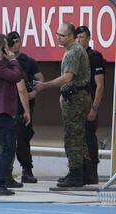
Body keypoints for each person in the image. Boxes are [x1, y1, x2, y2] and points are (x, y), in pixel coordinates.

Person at [34, 23, 92, 187]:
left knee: (73, 137)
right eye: (57, 34)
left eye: (62, 35)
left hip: (76, 98)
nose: (58, 37)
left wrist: (44, 86)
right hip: (76, 95)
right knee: (79, 137)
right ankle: (84, 173)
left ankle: (76, 175)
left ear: (72, 36)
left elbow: (68, 77)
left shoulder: (73, 51)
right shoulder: (73, 50)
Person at [0, 34, 25, 195]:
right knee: (8, 147)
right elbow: (16, 76)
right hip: (1, 112)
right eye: (6, 46)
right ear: (3, 47)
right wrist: (13, 59)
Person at [6, 31, 45, 185]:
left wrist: (34, 93)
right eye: (12, 41)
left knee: (23, 138)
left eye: (17, 41)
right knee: (6, 139)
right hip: (8, 105)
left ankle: (26, 170)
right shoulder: (3, 61)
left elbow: (40, 79)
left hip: (23, 106)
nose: (16, 44)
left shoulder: (27, 61)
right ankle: (6, 172)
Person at [75, 25, 105, 184]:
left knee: (89, 138)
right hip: (75, 106)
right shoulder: (74, 55)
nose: (79, 40)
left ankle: (92, 174)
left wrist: (94, 108)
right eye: (77, 37)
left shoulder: (95, 56)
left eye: (82, 37)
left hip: (89, 105)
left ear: (89, 38)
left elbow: (100, 85)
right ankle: (79, 172)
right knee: (77, 140)